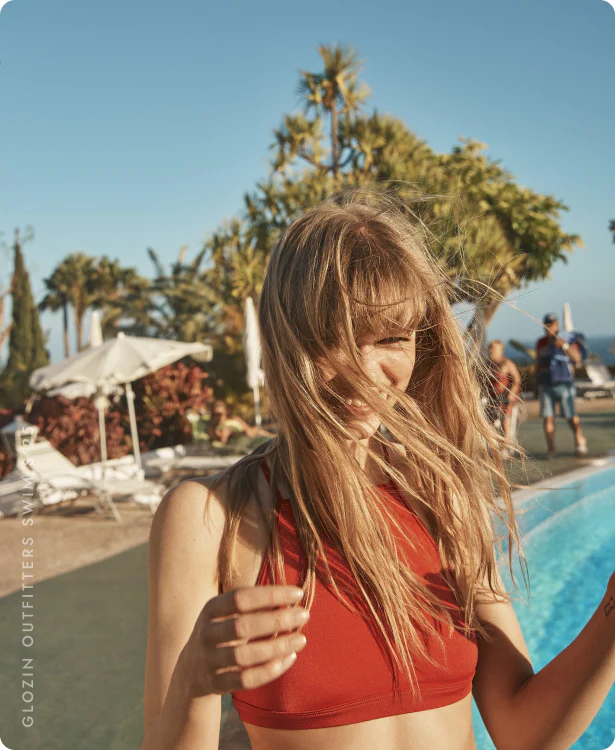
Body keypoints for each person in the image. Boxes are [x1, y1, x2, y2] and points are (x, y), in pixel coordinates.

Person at [142, 190, 614, 750]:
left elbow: (523, 731)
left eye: (392, 338)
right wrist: (194, 683)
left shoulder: (439, 496)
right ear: (282, 342)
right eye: (330, 339)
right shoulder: (209, 518)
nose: (364, 373)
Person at [535, 313, 588, 458]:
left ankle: (580, 441)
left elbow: (577, 359)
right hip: (546, 384)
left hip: (564, 383)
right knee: (548, 417)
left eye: (552, 324)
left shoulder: (567, 338)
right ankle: (551, 449)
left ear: (557, 325)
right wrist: (536, 383)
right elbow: (537, 362)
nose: (549, 327)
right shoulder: (541, 342)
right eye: (547, 324)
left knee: (571, 416)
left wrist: (564, 345)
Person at [485, 339, 522, 446]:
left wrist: (510, 395)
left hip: (506, 399)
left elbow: (517, 380)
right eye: (490, 348)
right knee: (490, 424)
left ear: (501, 350)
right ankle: (494, 447)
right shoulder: (488, 365)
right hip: (493, 399)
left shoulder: (507, 364)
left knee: (505, 423)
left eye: (494, 348)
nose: (491, 350)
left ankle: (506, 447)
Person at [207, 399, 275, 446]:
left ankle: (275, 438)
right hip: (237, 446)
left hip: (250, 438)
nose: (220, 417)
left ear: (226, 412)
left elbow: (249, 430)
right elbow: (221, 442)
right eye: (217, 414)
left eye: (222, 414)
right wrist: (224, 436)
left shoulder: (234, 418)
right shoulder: (212, 426)